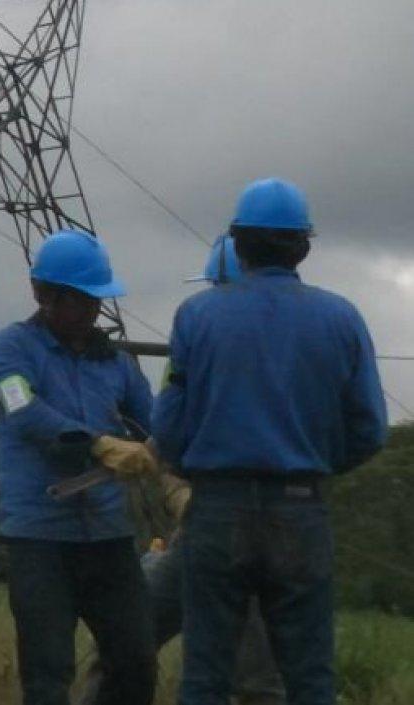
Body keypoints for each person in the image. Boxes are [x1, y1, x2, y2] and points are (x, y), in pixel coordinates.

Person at [153, 178, 387, 705]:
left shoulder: (196, 316)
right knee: (308, 678)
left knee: (206, 674)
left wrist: (201, 474)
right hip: (300, 512)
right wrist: (315, 466)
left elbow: (167, 426)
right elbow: (369, 429)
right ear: (303, 246)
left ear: (237, 243)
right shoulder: (342, 318)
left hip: (216, 509)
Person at [80, 234, 286, 705]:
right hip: (202, 530)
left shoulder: (273, 362)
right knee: (124, 641)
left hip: (258, 531)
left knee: (254, 679)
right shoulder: (203, 347)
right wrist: (170, 476)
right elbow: (172, 432)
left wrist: (159, 458)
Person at [0, 229, 159, 705]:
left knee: (136, 659)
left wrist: (160, 447)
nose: (93, 311)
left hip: (108, 535)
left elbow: (153, 421)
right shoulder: (10, 349)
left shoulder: (116, 363)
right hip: (39, 538)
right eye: (82, 300)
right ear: (45, 295)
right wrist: (98, 445)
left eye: (97, 301)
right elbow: (23, 409)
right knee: (47, 671)